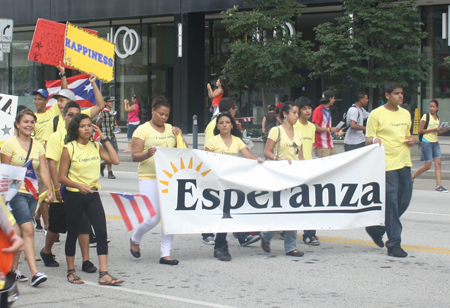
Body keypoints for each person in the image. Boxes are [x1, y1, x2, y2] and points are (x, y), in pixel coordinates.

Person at [58, 113, 122, 285]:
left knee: (101, 233)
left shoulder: (96, 146)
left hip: (93, 195)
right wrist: (78, 185)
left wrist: (104, 137)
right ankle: (71, 271)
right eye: (83, 126)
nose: (87, 128)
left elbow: (115, 160)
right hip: (74, 195)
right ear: (76, 129)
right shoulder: (69, 148)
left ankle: (104, 273)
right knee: (73, 233)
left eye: (89, 125)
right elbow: (61, 177)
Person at [129, 95, 187, 265]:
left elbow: (182, 152)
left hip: (169, 178)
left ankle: (165, 253)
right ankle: (135, 238)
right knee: (153, 217)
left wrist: (179, 136)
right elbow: (134, 156)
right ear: (153, 111)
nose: (163, 118)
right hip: (149, 177)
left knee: (169, 217)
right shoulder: (142, 130)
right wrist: (148, 153)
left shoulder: (171, 129)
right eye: (160, 114)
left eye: (166, 115)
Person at [41, 101, 97, 274]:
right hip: (63, 187)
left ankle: (86, 260)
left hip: (81, 189)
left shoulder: (84, 137)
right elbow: (52, 163)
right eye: (70, 114)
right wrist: (56, 188)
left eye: (76, 114)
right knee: (56, 225)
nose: (73, 117)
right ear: (63, 116)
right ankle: (46, 251)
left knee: (84, 224)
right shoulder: (56, 137)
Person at [0, 109, 54, 287]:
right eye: (25, 122)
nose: (29, 125)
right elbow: (4, 172)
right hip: (16, 195)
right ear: (17, 124)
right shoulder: (9, 145)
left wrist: (51, 189)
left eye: (32, 122)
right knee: (29, 230)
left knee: (20, 233)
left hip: (33, 194)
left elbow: (43, 170)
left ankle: (12, 270)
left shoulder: (38, 145)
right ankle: (34, 272)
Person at [205, 112, 264, 261]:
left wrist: (256, 159)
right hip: (217, 184)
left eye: (227, 122)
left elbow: (248, 155)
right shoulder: (213, 141)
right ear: (217, 126)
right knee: (223, 214)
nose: (224, 124)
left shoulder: (237, 141)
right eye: (221, 122)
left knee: (231, 212)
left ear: (232, 125)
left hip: (231, 183)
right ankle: (220, 246)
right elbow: (205, 161)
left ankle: (234, 238)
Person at [365, 82, 415, 258]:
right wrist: (374, 141)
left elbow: (408, 135)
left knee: (404, 200)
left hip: (405, 162)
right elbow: (368, 138)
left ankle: (377, 229)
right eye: (396, 93)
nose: (400, 96)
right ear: (387, 96)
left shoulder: (406, 113)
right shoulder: (376, 114)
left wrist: (412, 141)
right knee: (392, 203)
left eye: (401, 93)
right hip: (387, 165)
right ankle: (394, 243)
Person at [262, 101, 305, 257]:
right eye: (294, 112)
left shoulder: (299, 132)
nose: (297, 116)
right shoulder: (276, 130)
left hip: (294, 176)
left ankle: (290, 247)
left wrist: (305, 170)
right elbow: (267, 152)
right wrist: (278, 159)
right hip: (279, 175)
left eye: (297, 113)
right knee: (280, 210)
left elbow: (300, 156)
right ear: (285, 114)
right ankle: (266, 235)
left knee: (293, 210)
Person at [31, 62, 67, 233]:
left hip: (54, 157)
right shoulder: (31, 118)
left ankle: (38, 217)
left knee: (50, 193)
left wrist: (63, 75)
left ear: (46, 100)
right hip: (39, 159)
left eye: (40, 99)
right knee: (45, 193)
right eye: (35, 98)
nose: (36, 101)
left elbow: (65, 95)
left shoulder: (53, 112)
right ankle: (47, 225)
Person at [41, 73, 105, 144]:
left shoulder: (82, 116)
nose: (58, 103)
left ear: (70, 101)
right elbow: (47, 144)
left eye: (61, 100)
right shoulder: (54, 121)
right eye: (58, 101)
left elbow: (100, 106)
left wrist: (93, 83)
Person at [293, 97, 319, 246]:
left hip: (309, 168)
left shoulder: (312, 127)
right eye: (304, 108)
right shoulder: (294, 127)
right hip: (295, 168)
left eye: (309, 108)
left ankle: (310, 234)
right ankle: (285, 229)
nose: (308, 111)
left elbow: (310, 147)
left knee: (311, 202)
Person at [412, 100, 450, 192]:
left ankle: (438, 186)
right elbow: (420, 130)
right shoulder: (426, 116)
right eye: (430, 106)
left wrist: (445, 130)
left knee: (438, 163)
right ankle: (411, 178)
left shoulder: (437, 118)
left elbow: (437, 132)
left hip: (435, 142)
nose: (432, 108)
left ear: (437, 108)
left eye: (433, 107)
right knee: (428, 165)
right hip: (426, 142)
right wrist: (434, 129)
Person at [312, 90, 345, 158]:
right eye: (333, 98)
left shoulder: (327, 110)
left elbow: (326, 129)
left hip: (329, 144)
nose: (334, 100)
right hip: (321, 145)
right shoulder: (318, 110)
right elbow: (315, 127)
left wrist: (336, 133)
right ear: (330, 99)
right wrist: (330, 129)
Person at [97, 96, 120, 179]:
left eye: (112, 101)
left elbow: (114, 124)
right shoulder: (102, 112)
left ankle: (102, 165)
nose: (111, 103)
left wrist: (117, 128)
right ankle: (110, 172)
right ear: (105, 103)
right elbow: (97, 123)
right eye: (109, 101)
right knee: (109, 154)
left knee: (115, 154)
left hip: (112, 136)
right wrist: (100, 118)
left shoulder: (112, 113)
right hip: (105, 137)